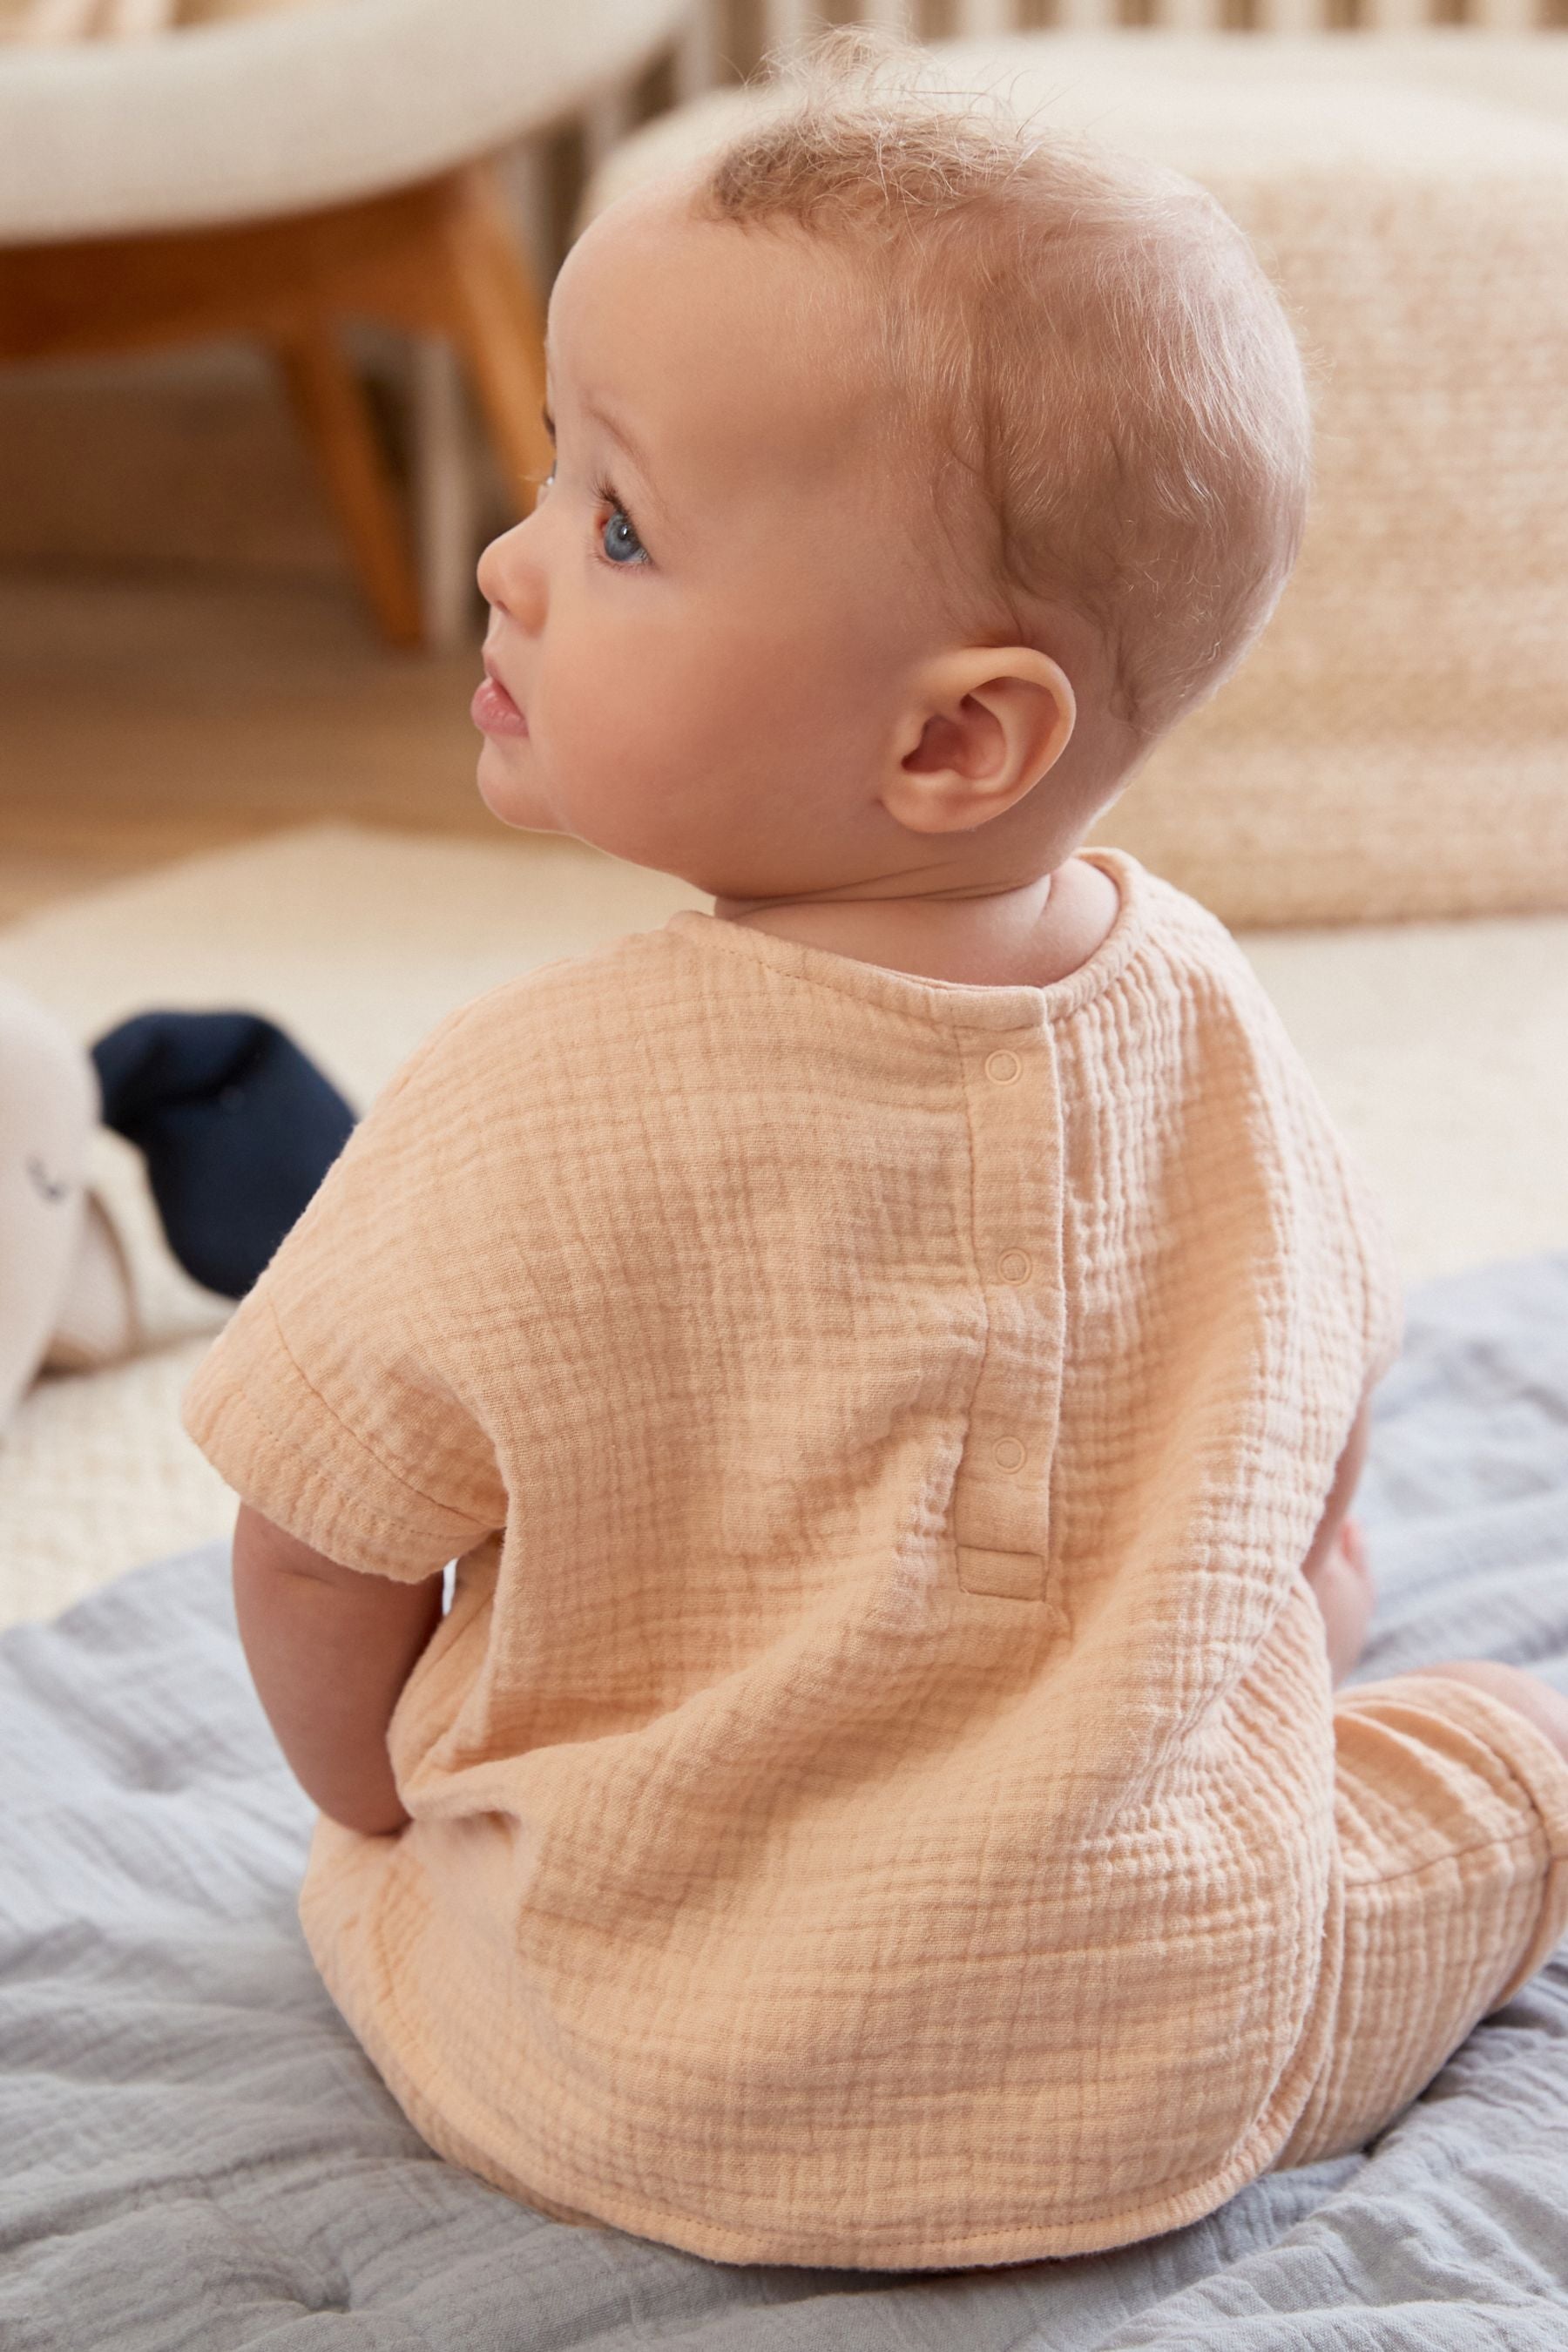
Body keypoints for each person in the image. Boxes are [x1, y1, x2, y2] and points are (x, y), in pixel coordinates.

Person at [180, 32, 1568, 2274]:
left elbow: (314, 1552)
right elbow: (1316, 1397)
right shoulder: (1211, 1022)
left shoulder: (524, 1097)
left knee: (389, 1858)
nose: (511, 564)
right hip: (1173, 2048)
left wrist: (375, 1812)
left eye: (616, 525)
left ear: (950, 737)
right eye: (555, 478)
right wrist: (1294, 1617)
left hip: (616, 2072)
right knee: (1501, 1748)